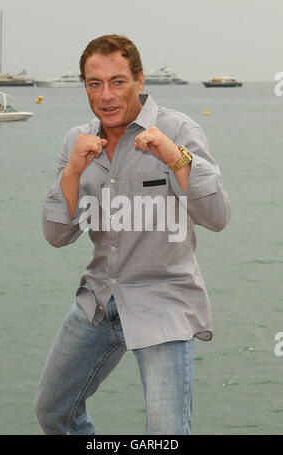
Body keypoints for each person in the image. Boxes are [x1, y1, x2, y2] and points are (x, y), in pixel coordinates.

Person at [34, 34, 231, 435]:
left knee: (165, 435)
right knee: (53, 412)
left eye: (118, 81)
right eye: (94, 83)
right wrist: (71, 172)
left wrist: (177, 157)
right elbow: (57, 236)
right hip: (98, 301)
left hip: (164, 301)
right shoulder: (76, 141)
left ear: (140, 80)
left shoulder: (178, 129)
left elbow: (217, 216)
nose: (105, 95)